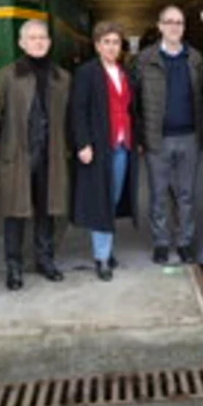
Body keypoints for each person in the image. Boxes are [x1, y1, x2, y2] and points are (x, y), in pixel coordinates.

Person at [0, 20, 70, 290]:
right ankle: (13, 266)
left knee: (46, 210)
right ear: (21, 43)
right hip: (18, 154)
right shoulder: (7, 75)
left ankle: (44, 260)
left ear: (49, 42)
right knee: (14, 213)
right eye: (32, 37)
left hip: (51, 154)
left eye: (43, 38)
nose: (38, 42)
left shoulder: (61, 78)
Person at [132, 5, 203, 265]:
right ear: (160, 26)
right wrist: (141, 137)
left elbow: (202, 99)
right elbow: (135, 103)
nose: (174, 27)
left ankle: (185, 241)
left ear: (183, 28)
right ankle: (161, 242)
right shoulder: (144, 60)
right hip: (157, 138)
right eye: (169, 22)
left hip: (189, 136)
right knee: (158, 194)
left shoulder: (195, 59)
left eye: (179, 22)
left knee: (186, 194)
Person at [71, 21, 138, 282]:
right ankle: (102, 257)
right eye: (106, 42)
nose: (111, 47)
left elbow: (131, 109)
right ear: (97, 45)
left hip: (122, 145)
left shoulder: (124, 73)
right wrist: (83, 143)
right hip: (99, 147)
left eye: (116, 43)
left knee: (113, 198)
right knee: (101, 200)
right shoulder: (87, 73)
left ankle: (106, 250)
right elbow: (78, 110)